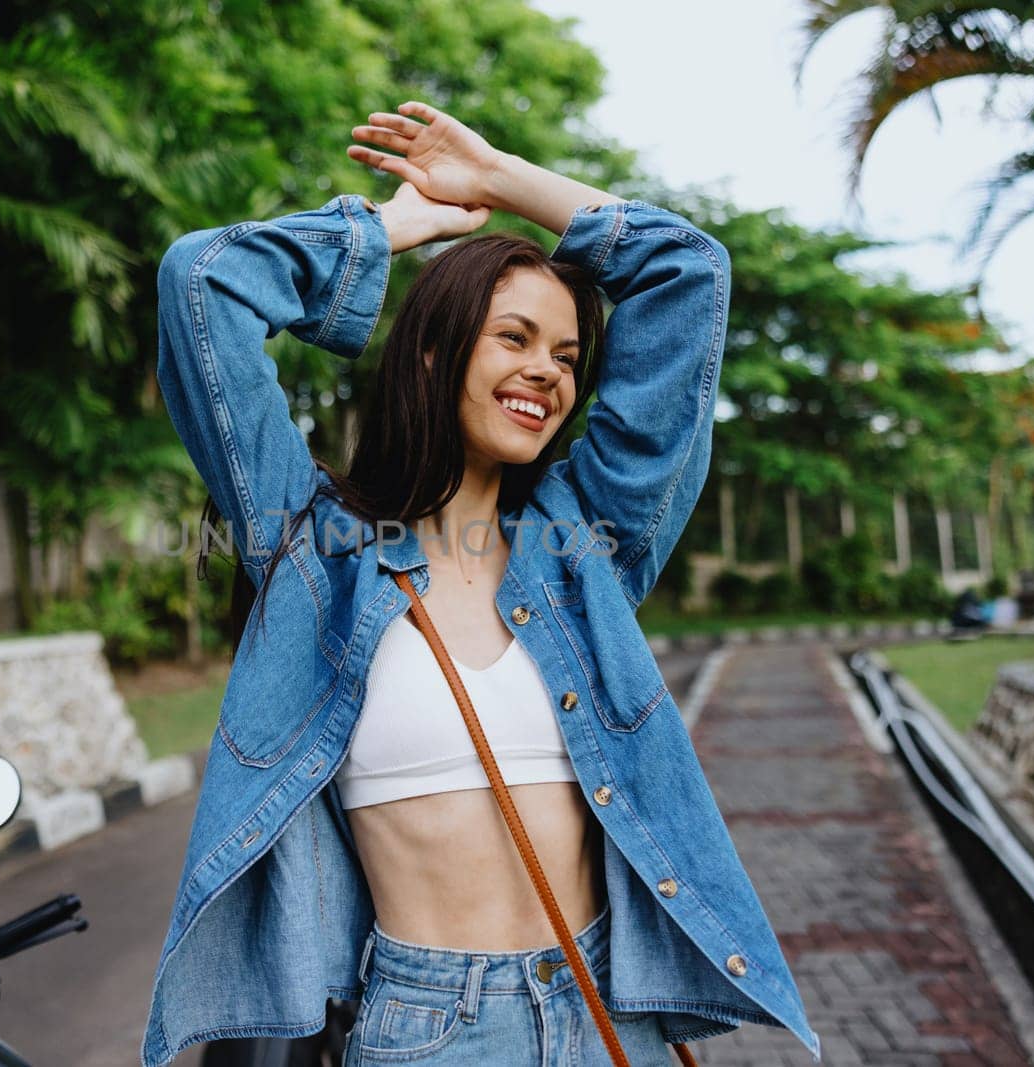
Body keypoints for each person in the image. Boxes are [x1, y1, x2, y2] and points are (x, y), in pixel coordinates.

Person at [143, 101, 819, 1066]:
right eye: (514, 337)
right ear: (434, 350)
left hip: (603, 1007)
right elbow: (202, 282)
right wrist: (398, 226)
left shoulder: (585, 548)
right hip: (431, 1026)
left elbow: (689, 274)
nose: (546, 371)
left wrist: (501, 179)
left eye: (568, 355)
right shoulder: (313, 551)